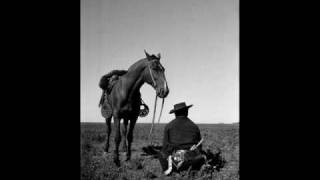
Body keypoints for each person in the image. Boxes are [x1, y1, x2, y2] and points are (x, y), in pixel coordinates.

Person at [158, 102, 205, 175]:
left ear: (175, 113)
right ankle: (195, 168)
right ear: (186, 112)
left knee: (161, 153)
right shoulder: (194, 126)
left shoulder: (169, 126)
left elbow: (165, 147)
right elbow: (200, 148)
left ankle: (170, 171)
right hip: (194, 161)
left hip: (176, 161)